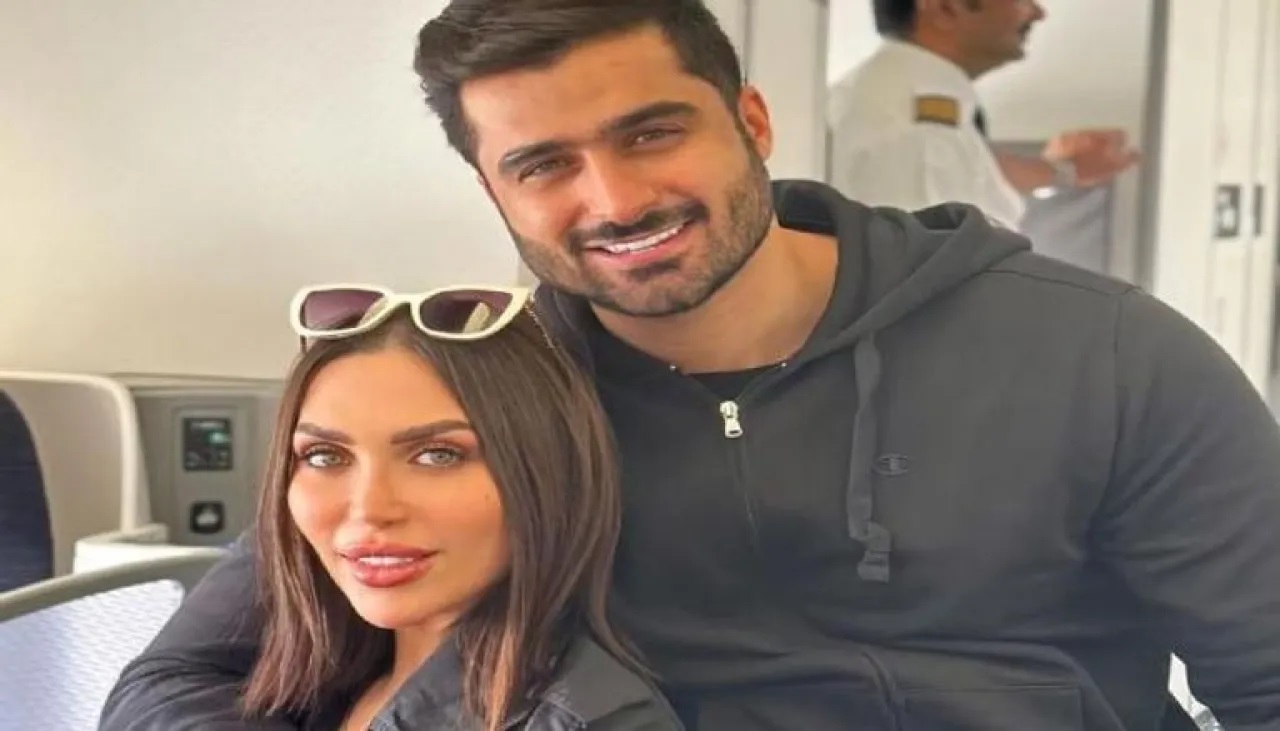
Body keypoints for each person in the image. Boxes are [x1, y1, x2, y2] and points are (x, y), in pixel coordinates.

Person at [103, 1, 1280, 729]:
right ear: (491, 190)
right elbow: (171, 687)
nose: (614, 199)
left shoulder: (1103, 354)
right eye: (543, 164)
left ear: (751, 122)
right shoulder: (488, 391)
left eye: (651, 132)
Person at [115, 283, 684, 730]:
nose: (368, 509)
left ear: (546, 476)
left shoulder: (595, 720)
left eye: (438, 455)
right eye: (324, 456)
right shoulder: (326, 673)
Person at [827, 0, 1141, 229]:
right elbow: (928, 263)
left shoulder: (899, 97)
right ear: (946, 7)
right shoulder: (915, 120)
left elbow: (967, 174)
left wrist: (1061, 170)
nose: (1038, 12)